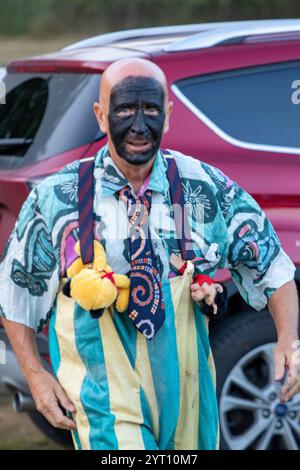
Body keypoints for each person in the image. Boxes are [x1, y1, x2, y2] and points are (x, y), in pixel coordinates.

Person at [0, 58, 299, 450]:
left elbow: (271, 268)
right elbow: (17, 294)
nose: (139, 126)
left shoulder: (206, 187)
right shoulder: (58, 196)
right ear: (101, 116)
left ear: (168, 115)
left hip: (189, 394)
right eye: (125, 109)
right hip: (101, 397)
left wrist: (288, 341)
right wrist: (35, 375)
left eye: (151, 110)